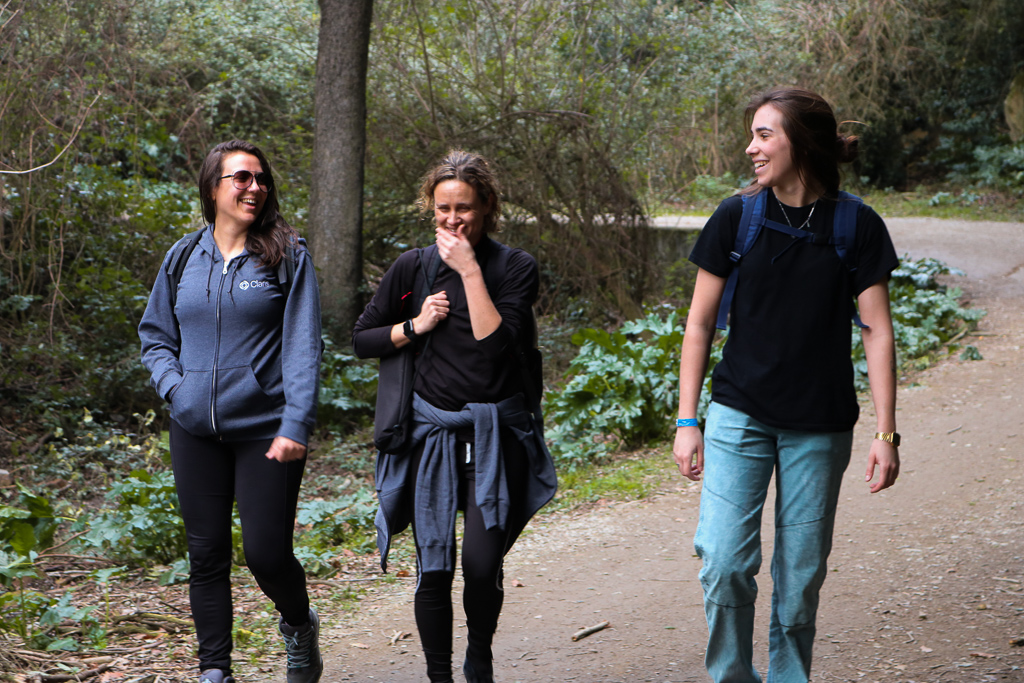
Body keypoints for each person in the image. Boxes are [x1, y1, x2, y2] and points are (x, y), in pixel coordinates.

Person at [672, 87, 901, 682]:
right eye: (752, 134)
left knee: (799, 580)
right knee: (723, 562)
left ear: (801, 142)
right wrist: (687, 419)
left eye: (764, 134)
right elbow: (699, 325)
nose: (751, 147)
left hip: (819, 427)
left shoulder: (856, 224)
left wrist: (886, 432)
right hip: (738, 414)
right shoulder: (736, 217)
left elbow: (876, 331)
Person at [352, 150, 556, 683]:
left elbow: (495, 346)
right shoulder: (412, 267)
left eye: (463, 207)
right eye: (443, 208)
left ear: (487, 206)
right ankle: (439, 675)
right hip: (432, 437)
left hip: (495, 436)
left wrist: (468, 270)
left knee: (482, 566)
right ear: (431, 206)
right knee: (435, 569)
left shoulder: (515, 267)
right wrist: (414, 326)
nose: (452, 219)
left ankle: (479, 658)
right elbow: (363, 338)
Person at [139, 140, 323, 683]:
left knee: (266, 554)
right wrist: (176, 390)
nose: (254, 187)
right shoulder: (182, 257)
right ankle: (215, 670)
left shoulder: (286, 255)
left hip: (266, 429)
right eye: (241, 177)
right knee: (207, 555)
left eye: (261, 179)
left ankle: (299, 626)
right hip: (194, 428)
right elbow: (155, 335)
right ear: (212, 187)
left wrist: (296, 421)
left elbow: (303, 346)